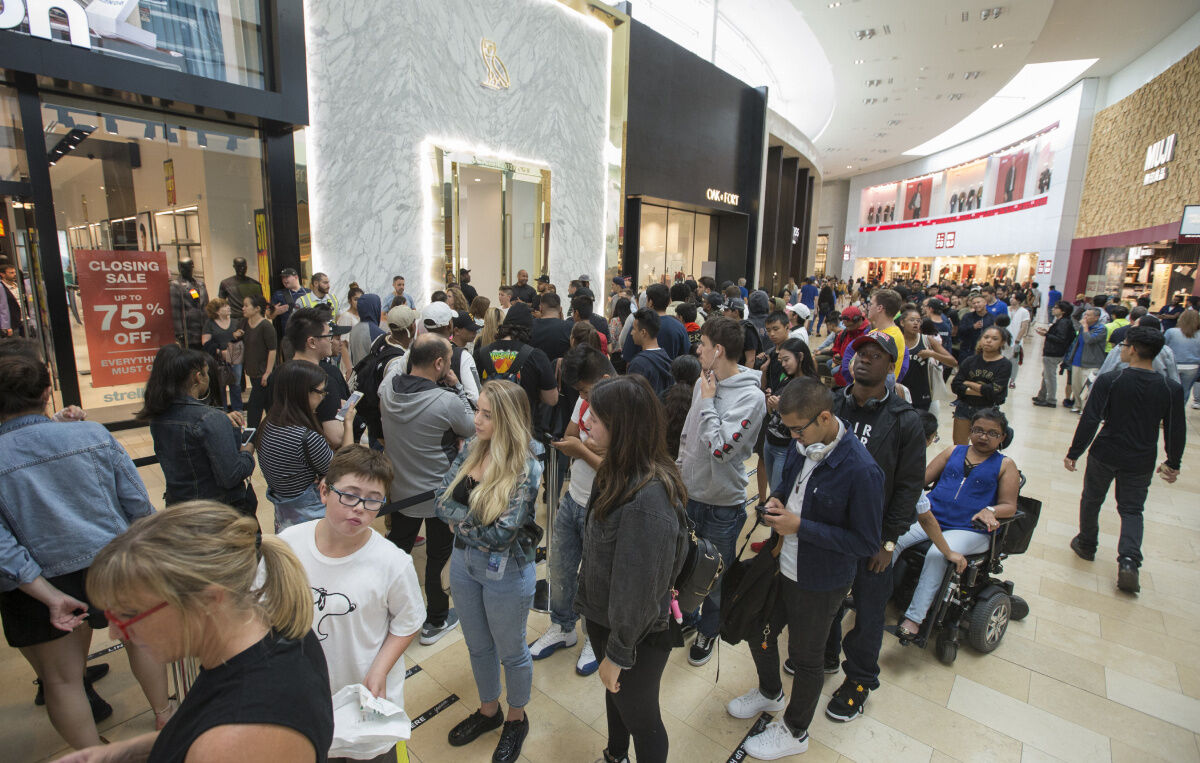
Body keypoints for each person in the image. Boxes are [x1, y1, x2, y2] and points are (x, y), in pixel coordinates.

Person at [64, 502, 333, 763]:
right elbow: (196, 733)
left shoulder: (239, 739)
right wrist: (124, 753)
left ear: (208, 601)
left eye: (128, 614)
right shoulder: (273, 624)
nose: (114, 633)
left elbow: (225, 742)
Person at [0, 350, 170, 751]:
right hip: (114, 562)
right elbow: (138, 506)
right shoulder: (91, 434)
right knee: (141, 640)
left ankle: (92, 753)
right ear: (47, 392)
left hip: (37, 582)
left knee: (61, 679)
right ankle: (165, 715)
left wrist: (47, 593)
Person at [727, 378, 883, 761]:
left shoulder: (862, 470)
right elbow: (786, 485)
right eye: (789, 429)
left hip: (820, 580)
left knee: (806, 656)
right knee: (757, 628)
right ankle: (769, 692)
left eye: (798, 428)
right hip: (781, 562)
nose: (793, 437)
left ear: (825, 417)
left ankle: (796, 731)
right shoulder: (803, 444)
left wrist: (801, 527)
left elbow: (864, 543)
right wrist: (776, 502)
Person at [279, 447, 425, 763]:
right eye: (349, 495)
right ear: (323, 491)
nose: (359, 508)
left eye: (373, 499)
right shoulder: (288, 546)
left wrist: (380, 669)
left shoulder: (392, 563)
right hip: (309, 701)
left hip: (368, 705)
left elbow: (409, 620)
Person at [574, 375, 688, 763]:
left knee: (641, 716)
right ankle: (615, 753)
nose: (586, 420)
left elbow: (637, 592)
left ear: (623, 427)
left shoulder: (647, 500)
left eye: (598, 416)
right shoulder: (616, 470)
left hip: (636, 635)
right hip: (609, 620)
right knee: (616, 699)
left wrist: (618, 654)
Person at [435, 380, 543, 763]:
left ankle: (517, 718)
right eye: (476, 410)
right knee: (478, 645)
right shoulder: (469, 448)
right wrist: (472, 521)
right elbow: (440, 501)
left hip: (507, 570)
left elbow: (501, 536)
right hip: (464, 563)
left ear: (508, 420)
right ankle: (488, 710)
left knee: (512, 651)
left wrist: (458, 521)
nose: (475, 419)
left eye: (485, 414)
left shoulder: (527, 467)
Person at [823, 330, 925, 722]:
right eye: (860, 352)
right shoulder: (833, 404)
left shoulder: (904, 420)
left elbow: (909, 486)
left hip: (874, 534)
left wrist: (889, 542)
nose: (864, 358)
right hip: (831, 526)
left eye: (875, 354)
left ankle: (860, 680)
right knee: (825, 596)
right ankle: (826, 654)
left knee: (868, 612)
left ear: (891, 366)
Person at [1065, 326, 1186, 593]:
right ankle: (1129, 561)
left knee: (1092, 498)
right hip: (1141, 457)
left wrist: (1075, 451)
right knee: (1132, 510)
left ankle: (1086, 543)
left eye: (1123, 345)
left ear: (1132, 349)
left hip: (1105, 451)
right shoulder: (1170, 388)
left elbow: (1091, 418)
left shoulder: (1110, 380)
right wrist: (1173, 462)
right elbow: (1176, 428)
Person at [676, 317, 765, 666]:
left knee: (714, 577)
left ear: (719, 351)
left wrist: (711, 400)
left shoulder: (751, 397)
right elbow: (689, 435)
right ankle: (688, 616)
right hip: (690, 495)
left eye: (703, 344)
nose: (697, 349)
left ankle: (708, 630)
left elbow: (721, 450)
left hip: (722, 506)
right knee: (685, 567)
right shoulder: (704, 382)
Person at [378, 334, 475, 647]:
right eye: (447, 359)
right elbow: (471, 426)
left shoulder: (388, 389)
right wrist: (458, 385)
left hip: (400, 490)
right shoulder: (445, 401)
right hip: (437, 493)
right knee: (438, 556)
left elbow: (396, 364)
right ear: (439, 364)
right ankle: (436, 619)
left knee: (396, 552)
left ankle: (381, 614)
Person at [892, 407, 1019, 638]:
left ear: (1002, 437)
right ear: (970, 430)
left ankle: (913, 619)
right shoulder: (953, 451)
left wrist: (991, 510)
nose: (983, 436)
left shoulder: (1005, 464)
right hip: (933, 518)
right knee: (893, 540)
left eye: (992, 433)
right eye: (978, 430)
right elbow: (920, 481)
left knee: (937, 554)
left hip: (969, 528)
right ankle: (869, 595)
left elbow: (1010, 505)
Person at [531, 346, 615, 673]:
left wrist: (582, 448)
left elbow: (614, 469)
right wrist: (588, 448)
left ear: (605, 380)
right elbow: (569, 436)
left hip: (604, 507)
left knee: (597, 579)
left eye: (584, 390)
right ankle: (563, 626)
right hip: (574, 497)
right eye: (580, 391)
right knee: (561, 568)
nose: (582, 396)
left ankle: (596, 637)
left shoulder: (625, 405)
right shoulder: (586, 399)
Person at [139, 344, 257, 515]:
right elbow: (231, 476)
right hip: (216, 513)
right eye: (206, 372)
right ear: (197, 377)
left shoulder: (158, 416)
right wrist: (247, 452)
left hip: (178, 510)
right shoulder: (209, 419)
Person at [258, 360, 356, 531]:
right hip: (312, 518)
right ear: (303, 393)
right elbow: (345, 471)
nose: (324, 397)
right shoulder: (306, 437)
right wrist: (348, 423)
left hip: (285, 517)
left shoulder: (268, 424)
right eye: (321, 392)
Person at [475, 302, 559, 439]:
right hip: (523, 433)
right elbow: (552, 399)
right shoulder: (536, 356)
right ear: (529, 329)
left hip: (490, 432)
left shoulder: (482, 353)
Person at [761, 337, 817, 492]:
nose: (783, 364)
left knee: (779, 492)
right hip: (770, 441)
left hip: (785, 448)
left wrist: (781, 407)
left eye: (786, 359)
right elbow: (773, 413)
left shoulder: (810, 385)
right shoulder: (786, 379)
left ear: (800, 356)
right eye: (781, 360)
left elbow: (807, 421)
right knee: (773, 488)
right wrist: (771, 402)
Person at [950, 327, 1011, 445]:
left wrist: (969, 383)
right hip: (964, 408)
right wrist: (983, 391)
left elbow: (994, 392)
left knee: (982, 447)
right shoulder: (970, 361)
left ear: (1002, 342)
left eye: (994, 339)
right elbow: (956, 386)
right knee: (959, 446)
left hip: (988, 409)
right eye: (986, 337)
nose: (988, 341)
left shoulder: (1005, 364)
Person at [839, 288, 907, 383]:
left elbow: (858, 369)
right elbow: (853, 362)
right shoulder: (875, 331)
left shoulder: (891, 336)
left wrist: (855, 363)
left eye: (871, 304)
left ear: (879, 308)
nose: (867, 307)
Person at [899, 306, 956, 412]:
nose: (916, 323)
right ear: (902, 323)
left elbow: (953, 362)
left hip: (922, 394)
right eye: (912, 320)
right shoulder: (896, 341)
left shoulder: (927, 340)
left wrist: (932, 354)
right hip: (900, 392)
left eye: (918, 320)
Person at [201, 297, 245, 411]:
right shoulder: (210, 324)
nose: (228, 307)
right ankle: (223, 411)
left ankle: (238, 410)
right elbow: (205, 342)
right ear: (217, 311)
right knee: (220, 386)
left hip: (235, 356)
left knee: (236, 385)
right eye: (224, 306)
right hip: (218, 358)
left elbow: (241, 339)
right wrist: (220, 352)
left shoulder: (235, 322)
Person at [241, 294, 278, 429]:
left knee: (254, 407)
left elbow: (272, 350)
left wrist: (268, 372)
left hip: (263, 374)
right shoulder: (245, 323)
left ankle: (251, 436)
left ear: (257, 308)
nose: (243, 308)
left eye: (246, 305)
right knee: (268, 405)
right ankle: (274, 431)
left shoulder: (266, 326)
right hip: (252, 371)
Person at [1033, 300, 1077, 408]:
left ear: (1063, 311)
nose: (1053, 309)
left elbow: (1061, 339)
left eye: (1056, 307)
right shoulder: (1062, 321)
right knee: (1046, 374)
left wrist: (1046, 334)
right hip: (1054, 352)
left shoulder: (1063, 323)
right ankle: (1042, 396)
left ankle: (1051, 399)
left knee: (1049, 376)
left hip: (1054, 352)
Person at [1063, 307, 1107, 413]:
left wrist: (1085, 327)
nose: (1085, 317)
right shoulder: (1083, 328)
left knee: (1086, 387)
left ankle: (1084, 408)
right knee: (1076, 385)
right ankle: (1077, 405)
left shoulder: (1101, 329)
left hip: (1091, 363)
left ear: (1096, 318)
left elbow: (1089, 340)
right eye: (1085, 315)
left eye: (1088, 315)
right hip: (1077, 361)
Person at [662, 354, 702, 460]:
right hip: (694, 461)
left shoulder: (662, 397)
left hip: (665, 459)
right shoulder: (703, 400)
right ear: (698, 375)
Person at [625, 308, 673, 394]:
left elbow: (632, 398)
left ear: (643, 332)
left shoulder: (638, 364)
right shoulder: (666, 357)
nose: (631, 333)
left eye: (634, 329)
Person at [1165, 308, 1200, 408]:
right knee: (1185, 390)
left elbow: (1163, 347)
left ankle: (1165, 412)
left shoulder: (1171, 332)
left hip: (1172, 364)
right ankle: (1178, 412)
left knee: (1168, 388)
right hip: (1192, 366)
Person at [530, 292, 573, 361]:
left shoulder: (529, 326)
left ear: (540, 308)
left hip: (533, 370)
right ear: (560, 309)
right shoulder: (570, 327)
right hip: (560, 370)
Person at [271, 267, 310, 335]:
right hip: (289, 335)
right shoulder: (279, 294)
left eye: (286, 277)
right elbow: (269, 316)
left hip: (307, 333)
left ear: (296, 277)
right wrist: (275, 312)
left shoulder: (308, 292)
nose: (284, 280)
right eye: (283, 278)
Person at [956, 295, 994, 361]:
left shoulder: (992, 318)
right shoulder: (967, 317)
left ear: (985, 302)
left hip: (985, 351)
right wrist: (972, 327)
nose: (976, 305)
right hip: (968, 350)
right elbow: (960, 331)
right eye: (974, 303)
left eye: (978, 302)